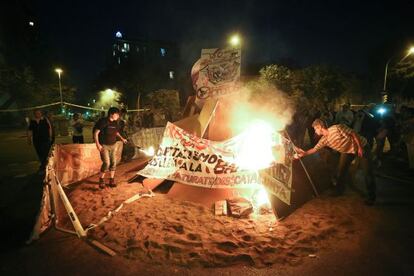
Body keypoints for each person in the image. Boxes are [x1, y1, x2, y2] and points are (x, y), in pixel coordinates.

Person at [295, 119, 376, 205]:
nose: (315, 131)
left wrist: (360, 147)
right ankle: (339, 190)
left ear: (320, 127)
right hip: (347, 151)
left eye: (315, 129)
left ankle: (371, 197)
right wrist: (304, 153)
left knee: (367, 171)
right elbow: (315, 149)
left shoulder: (337, 128)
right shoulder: (324, 140)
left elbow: (353, 133)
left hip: (362, 146)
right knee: (341, 170)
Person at [94, 107, 128, 189]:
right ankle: (101, 179)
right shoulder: (103, 122)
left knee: (113, 162)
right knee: (107, 163)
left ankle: (111, 179)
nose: (118, 116)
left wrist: (122, 138)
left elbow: (116, 132)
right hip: (104, 146)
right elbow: (96, 133)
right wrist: (98, 144)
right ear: (111, 114)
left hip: (113, 145)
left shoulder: (115, 123)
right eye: (116, 114)